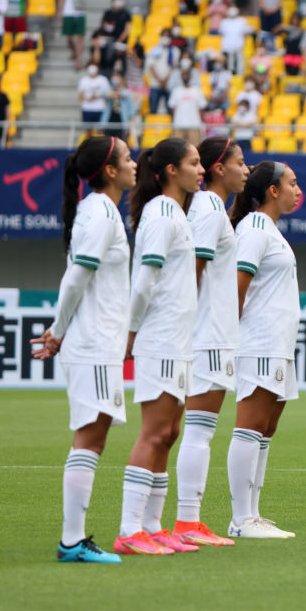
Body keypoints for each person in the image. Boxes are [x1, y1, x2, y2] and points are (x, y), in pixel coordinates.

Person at [30, 136, 136, 564]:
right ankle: (71, 541)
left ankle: (73, 540)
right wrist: (58, 331)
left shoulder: (100, 211)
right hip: (92, 343)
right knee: (90, 436)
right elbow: (76, 277)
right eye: (127, 157)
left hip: (98, 342)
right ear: (109, 170)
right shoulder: (101, 214)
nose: (134, 163)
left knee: (95, 435)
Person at [116, 138, 204, 556]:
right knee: (154, 432)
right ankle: (129, 529)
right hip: (160, 338)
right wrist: (131, 332)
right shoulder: (161, 214)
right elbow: (144, 281)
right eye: (194, 162)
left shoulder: (175, 214)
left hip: (178, 340)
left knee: (170, 433)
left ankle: (152, 526)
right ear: (171, 170)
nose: (201, 170)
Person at [161, 138, 246, 547]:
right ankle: (187, 521)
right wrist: (188, 324)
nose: (245, 169)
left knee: (197, 430)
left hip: (211, 333)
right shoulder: (210, 209)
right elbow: (193, 269)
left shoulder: (209, 208)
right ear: (218, 168)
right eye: (239, 162)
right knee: (199, 430)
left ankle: (188, 520)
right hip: (208, 334)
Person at [224, 161, 302, 539]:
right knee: (250, 425)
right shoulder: (255, 227)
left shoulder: (269, 229)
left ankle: (252, 513)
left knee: (265, 429)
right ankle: (241, 519)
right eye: (292, 183)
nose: (297, 190)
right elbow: (237, 287)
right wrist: (231, 337)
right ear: (273, 190)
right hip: (259, 342)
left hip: (278, 344)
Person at [57, 0, 94, 71]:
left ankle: (78, 61)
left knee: (79, 37)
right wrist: (60, 11)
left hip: (80, 11)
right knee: (68, 37)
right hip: (68, 11)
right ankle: (74, 51)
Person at [169, 72, 206, 145]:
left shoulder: (197, 90)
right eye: (183, 74)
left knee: (195, 147)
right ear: (181, 77)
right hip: (179, 125)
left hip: (194, 126)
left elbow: (202, 108)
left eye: (187, 74)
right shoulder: (176, 90)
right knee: (177, 148)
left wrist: (200, 122)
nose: (185, 76)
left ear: (190, 76)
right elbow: (172, 107)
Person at [218, 7, 254, 77]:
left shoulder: (242, 21)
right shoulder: (224, 21)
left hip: (238, 46)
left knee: (240, 62)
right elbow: (221, 32)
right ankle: (229, 75)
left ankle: (240, 76)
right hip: (227, 47)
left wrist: (250, 29)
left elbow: (247, 31)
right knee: (229, 64)